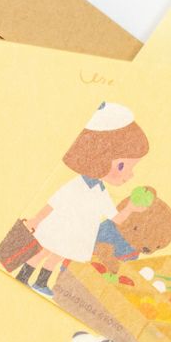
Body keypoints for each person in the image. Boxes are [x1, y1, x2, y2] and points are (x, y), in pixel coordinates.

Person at [15, 102, 150, 297]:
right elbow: (54, 202)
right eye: (122, 167)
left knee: (58, 256)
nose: (129, 175)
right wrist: (36, 220)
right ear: (99, 157)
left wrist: (131, 208)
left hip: (75, 233)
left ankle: (41, 282)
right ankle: (23, 276)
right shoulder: (77, 185)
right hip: (60, 226)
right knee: (44, 251)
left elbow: (115, 218)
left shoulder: (101, 192)